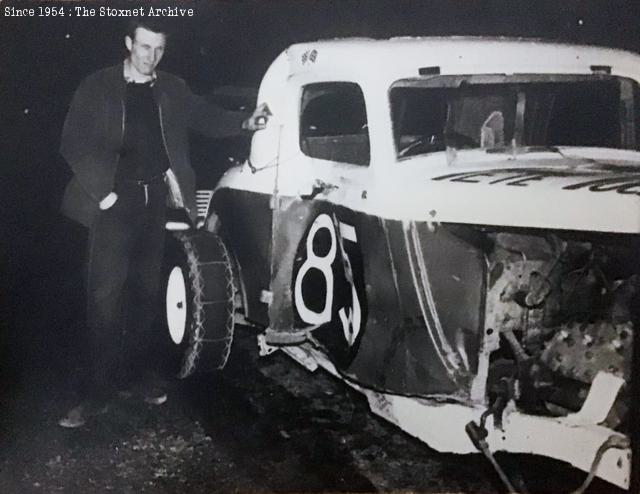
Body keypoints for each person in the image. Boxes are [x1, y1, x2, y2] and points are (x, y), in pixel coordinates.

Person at [58, 18, 269, 428]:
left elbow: (205, 116)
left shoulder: (171, 87)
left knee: (144, 293)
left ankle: (132, 378)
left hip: (155, 200)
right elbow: (72, 141)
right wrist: (104, 192)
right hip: (113, 202)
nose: (150, 57)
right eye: (144, 48)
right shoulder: (97, 85)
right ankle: (97, 393)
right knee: (104, 299)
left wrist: (244, 123)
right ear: (128, 43)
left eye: (158, 50)